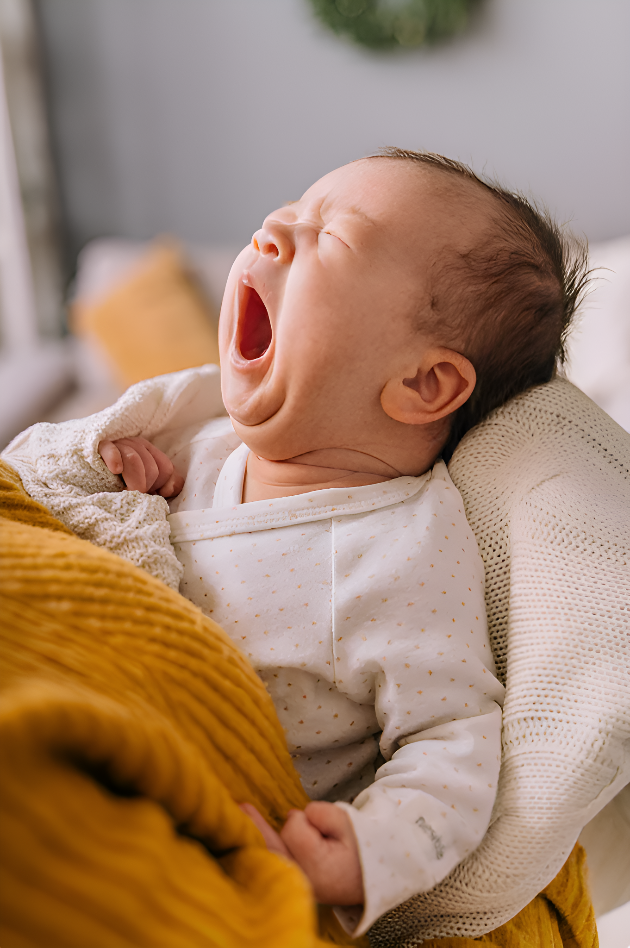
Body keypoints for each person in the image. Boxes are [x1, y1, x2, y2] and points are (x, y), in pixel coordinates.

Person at [4, 149, 588, 937]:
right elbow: (39, 491)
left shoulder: (402, 549)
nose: (274, 229)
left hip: (225, 808)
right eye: (291, 209)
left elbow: (452, 741)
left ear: (425, 385)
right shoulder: (197, 441)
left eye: (331, 238)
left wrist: (366, 849)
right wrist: (102, 471)